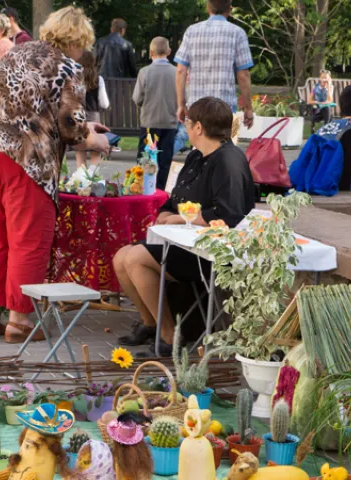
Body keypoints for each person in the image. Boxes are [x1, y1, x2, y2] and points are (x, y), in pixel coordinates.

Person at [0, 6, 110, 343]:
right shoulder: (69, 66)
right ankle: (19, 321)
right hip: (22, 157)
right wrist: (95, 138)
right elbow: (72, 128)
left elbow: (32, 106)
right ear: (78, 40)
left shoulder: (17, 51)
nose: (83, 51)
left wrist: (85, 126)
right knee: (27, 239)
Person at [113, 97, 257, 356]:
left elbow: (228, 214)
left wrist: (179, 218)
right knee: (120, 256)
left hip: (212, 252)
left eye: (188, 122)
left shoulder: (228, 161)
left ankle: (171, 337)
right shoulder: (195, 156)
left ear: (199, 127)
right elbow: (175, 198)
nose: (186, 127)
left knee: (135, 258)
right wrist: (166, 212)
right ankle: (151, 324)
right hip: (184, 242)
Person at [174, 0, 255, 129]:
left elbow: (180, 70)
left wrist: (181, 104)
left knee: (200, 147)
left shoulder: (191, 31)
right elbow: (243, 74)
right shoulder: (237, 33)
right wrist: (248, 108)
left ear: (208, 8)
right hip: (225, 106)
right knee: (224, 146)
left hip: (197, 105)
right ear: (229, 9)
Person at [132, 37, 177, 190]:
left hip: (149, 123)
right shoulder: (176, 72)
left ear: (151, 52)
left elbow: (137, 98)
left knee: (146, 160)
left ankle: (143, 189)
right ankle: (161, 191)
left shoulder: (144, 72)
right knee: (165, 162)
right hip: (169, 123)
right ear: (169, 52)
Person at [75, 50, 109, 169]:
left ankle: (80, 179)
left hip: (79, 116)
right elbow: (104, 103)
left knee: (80, 150)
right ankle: (94, 178)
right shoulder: (98, 79)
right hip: (94, 118)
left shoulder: (74, 77)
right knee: (96, 149)